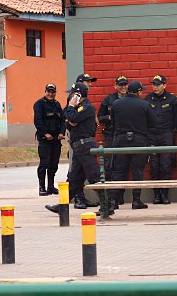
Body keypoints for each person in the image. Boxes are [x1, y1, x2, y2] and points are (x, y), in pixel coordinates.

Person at [104, 80, 158, 216]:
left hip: (121, 139)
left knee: (118, 171)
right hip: (139, 140)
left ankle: (113, 201)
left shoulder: (116, 104)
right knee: (137, 170)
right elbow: (154, 123)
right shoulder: (145, 104)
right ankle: (136, 200)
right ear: (139, 91)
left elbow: (113, 122)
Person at [47, 82, 99, 214]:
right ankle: (62, 206)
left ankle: (108, 205)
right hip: (78, 148)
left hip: (85, 146)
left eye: (72, 94)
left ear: (78, 94)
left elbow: (73, 117)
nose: (70, 97)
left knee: (94, 177)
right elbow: (67, 117)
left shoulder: (86, 107)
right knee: (74, 179)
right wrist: (71, 117)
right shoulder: (77, 107)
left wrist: (71, 110)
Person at [144, 74, 177, 204]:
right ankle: (156, 195)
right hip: (152, 135)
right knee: (154, 166)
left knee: (165, 165)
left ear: (164, 85)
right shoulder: (147, 99)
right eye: (153, 84)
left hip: (166, 135)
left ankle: (164, 194)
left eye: (158, 84)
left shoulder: (172, 100)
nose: (155, 87)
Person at [97, 75, 129, 203]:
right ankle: (111, 197)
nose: (123, 87)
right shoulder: (108, 99)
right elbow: (100, 116)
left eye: (125, 84)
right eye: (120, 85)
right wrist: (111, 118)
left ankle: (120, 196)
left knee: (123, 165)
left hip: (125, 136)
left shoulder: (130, 99)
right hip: (111, 135)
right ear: (115, 86)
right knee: (110, 165)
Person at [33, 83, 64, 196]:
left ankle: (51, 186)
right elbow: (38, 121)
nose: (51, 94)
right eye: (49, 91)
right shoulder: (39, 104)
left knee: (54, 164)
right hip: (44, 139)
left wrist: (62, 132)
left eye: (53, 92)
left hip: (56, 139)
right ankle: (42, 187)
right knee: (44, 163)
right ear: (45, 92)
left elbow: (62, 120)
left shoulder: (57, 104)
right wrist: (45, 133)